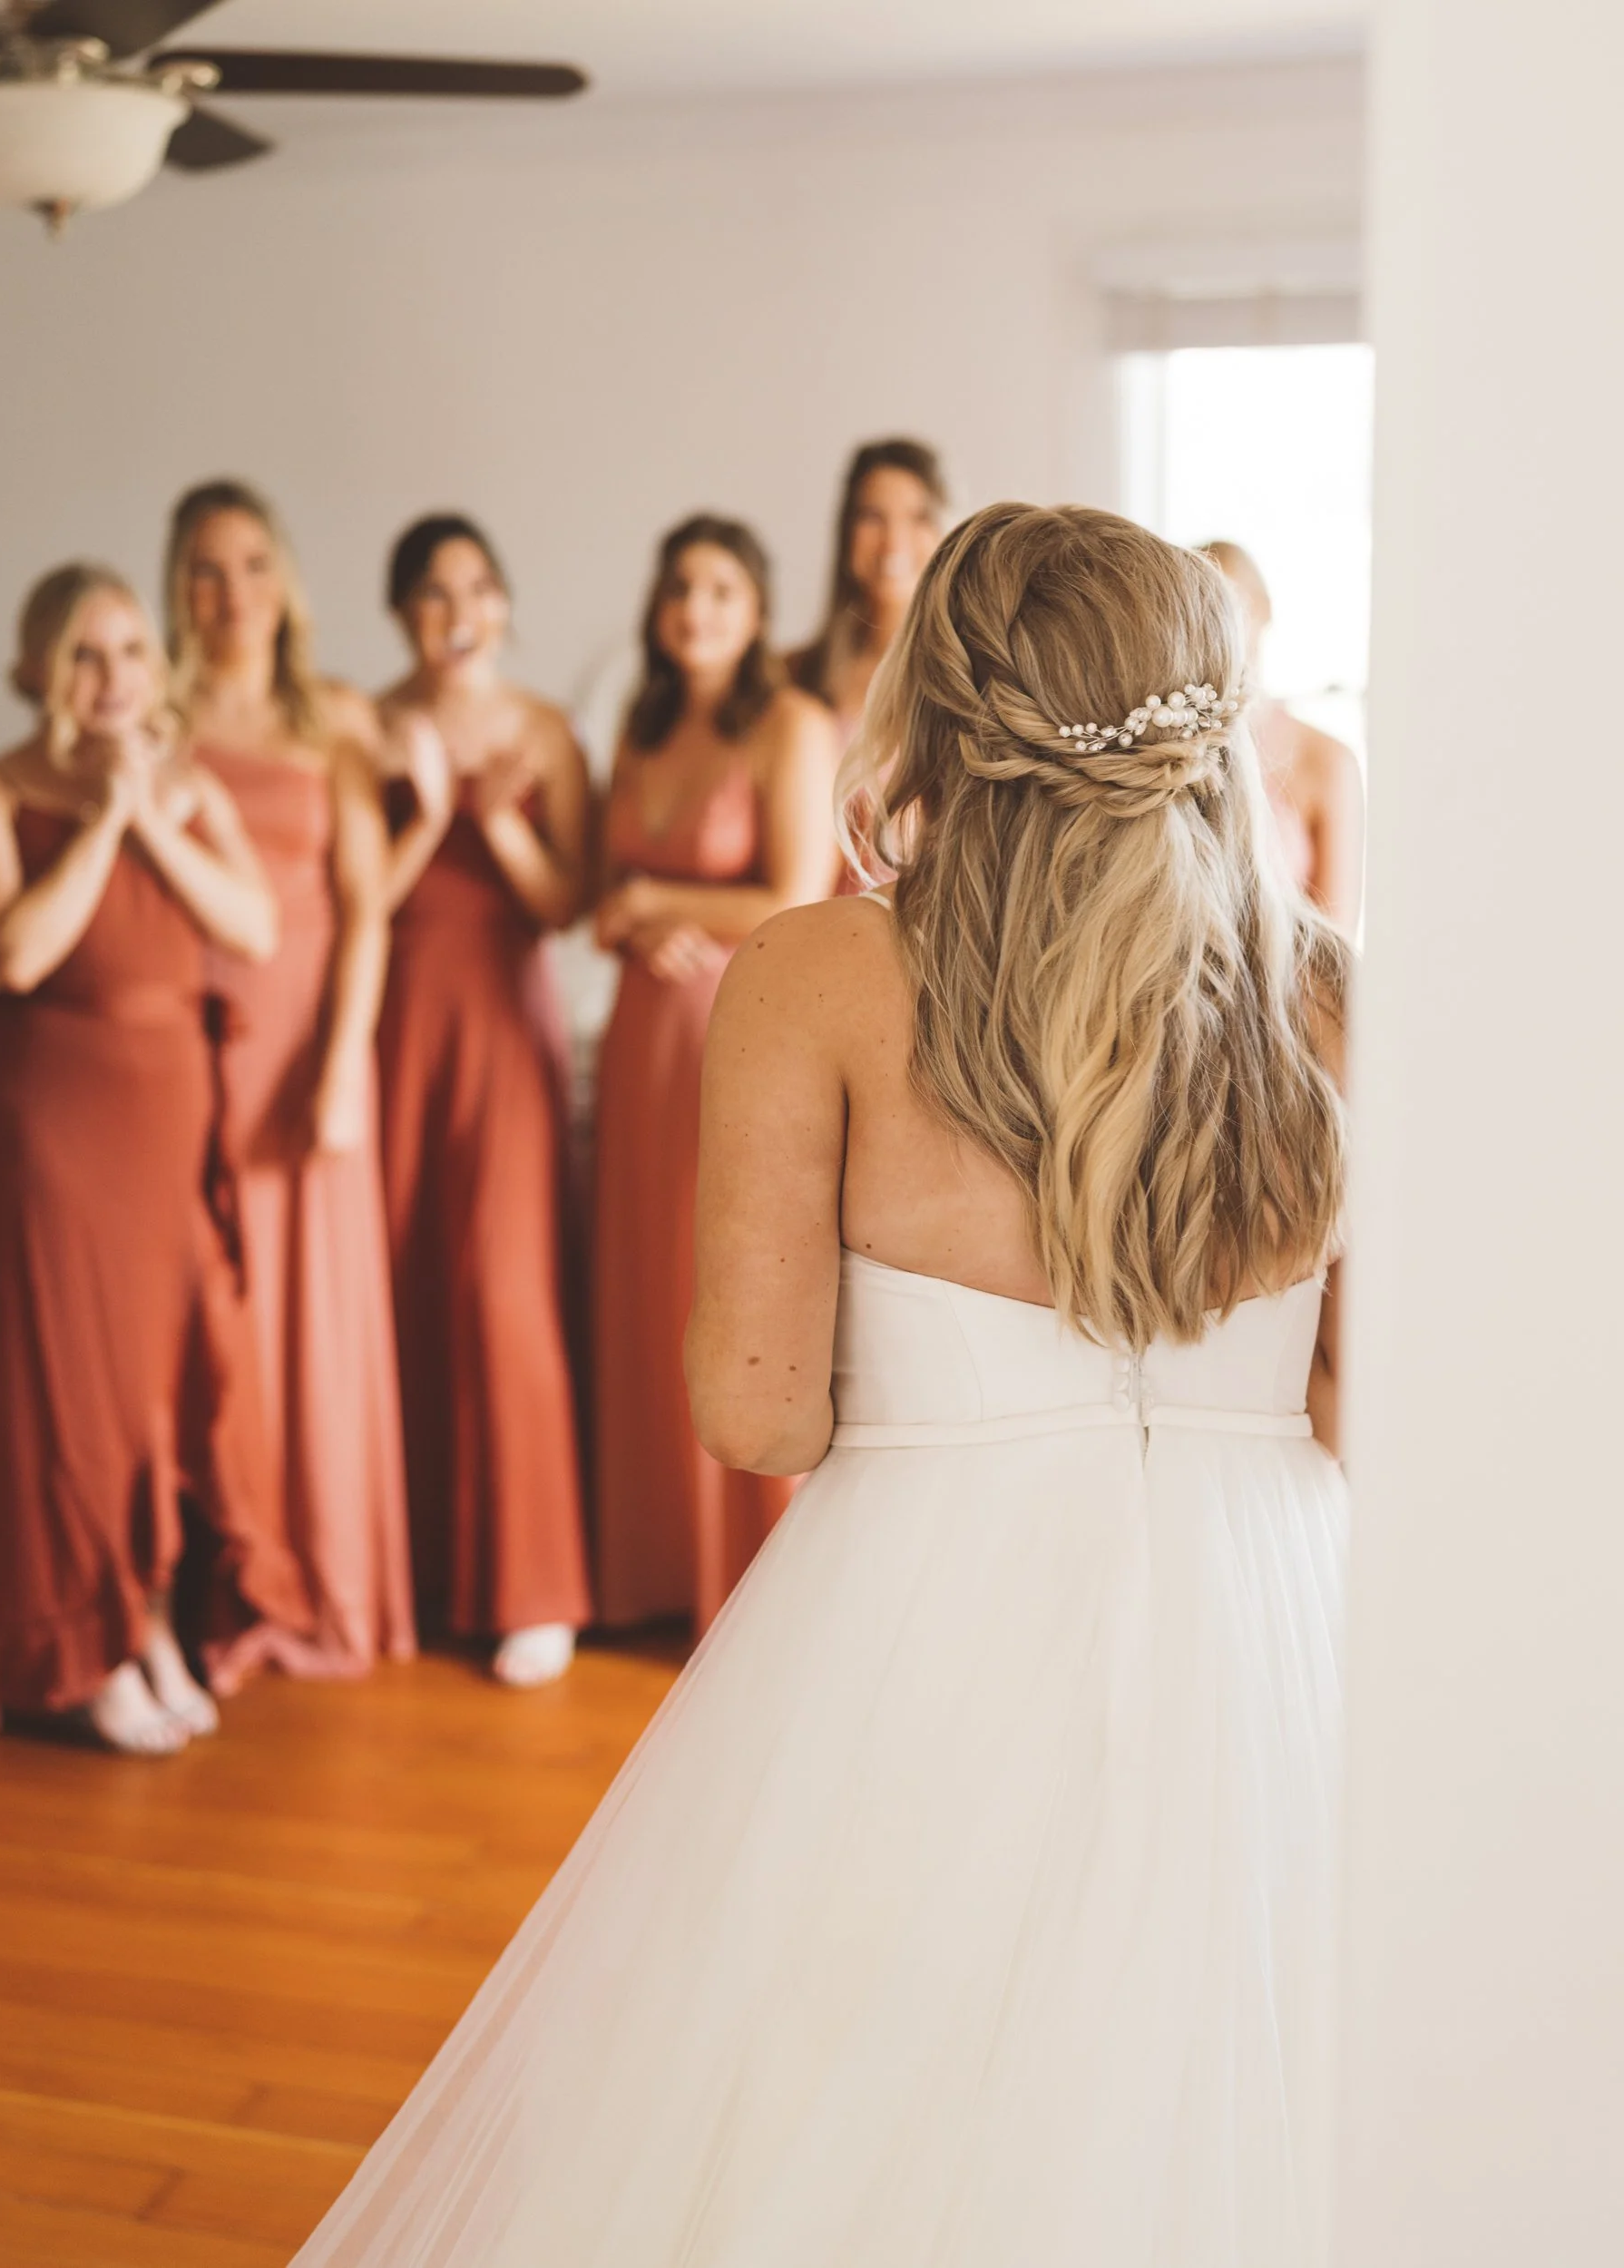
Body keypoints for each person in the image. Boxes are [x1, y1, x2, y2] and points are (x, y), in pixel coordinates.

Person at [289, 503, 1350, 2267]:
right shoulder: (1329, 995)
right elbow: (1365, 1403)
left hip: (931, 1631)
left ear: (940, 698)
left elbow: (759, 1412)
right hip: (1269, 1626)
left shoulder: (813, 973)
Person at [0, 564, 308, 1755]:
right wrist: (104, 816)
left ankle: (148, 1620)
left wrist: (152, 809)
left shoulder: (188, 788)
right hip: (50, 1117)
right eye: (85, 656)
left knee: (158, 1391)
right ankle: (81, 1644)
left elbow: (252, 929)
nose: (113, 679)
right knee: (73, 1391)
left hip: (171, 1115)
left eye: (131, 652)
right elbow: (20, 953)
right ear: (40, 669)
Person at [164, 480, 414, 1685]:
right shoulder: (152, 718)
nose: (231, 593)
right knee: (213, 1325)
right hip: (187, 1041)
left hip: (308, 1040)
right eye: (206, 570)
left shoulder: (335, 722)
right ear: (177, 587)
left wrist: (343, 1063)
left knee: (311, 1319)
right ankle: (229, 1583)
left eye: (252, 564)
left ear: (285, 580)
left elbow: (368, 909)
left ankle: (324, 1581)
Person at [592, 514, 838, 1637]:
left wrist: (657, 905)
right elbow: (605, 891)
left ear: (756, 611)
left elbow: (795, 893)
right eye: (680, 586)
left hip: (734, 1026)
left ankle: (754, 1579)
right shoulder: (639, 728)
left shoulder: (790, 724)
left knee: (726, 1278)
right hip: (642, 1028)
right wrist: (631, 924)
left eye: (723, 590)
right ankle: (653, 1565)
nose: (696, 608)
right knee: (645, 1287)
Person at [376, 515, 593, 1688]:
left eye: (474, 588)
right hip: (395, 1020)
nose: (456, 612)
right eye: (430, 593)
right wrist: (421, 809)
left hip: (505, 1026)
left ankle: (534, 1584)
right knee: (401, 1271)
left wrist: (498, 819)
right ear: (400, 611)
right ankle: (402, 1571)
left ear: (504, 601)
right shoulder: (365, 724)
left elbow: (571, 900)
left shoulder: (548, 732)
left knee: (507, 1289)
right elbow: (357, 893)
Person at [1199, 539, 1365, 931]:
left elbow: (1336, 940)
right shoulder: (1167, 751)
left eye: (1234, 607)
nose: (1218, 625)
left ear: (1265, 611)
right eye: (1202, 610)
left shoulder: (1326, 759)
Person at [786, 437, 950, 748]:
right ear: (847, 531)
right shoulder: (793, 674)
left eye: (920, 518)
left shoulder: (974, 675)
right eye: (873, 517)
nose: (893, 541)